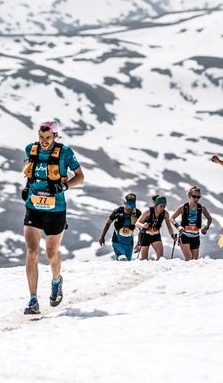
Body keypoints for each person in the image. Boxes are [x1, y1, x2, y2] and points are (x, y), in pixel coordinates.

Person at [21, 117, 84, 315]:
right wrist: (26, 188)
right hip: (34, 207)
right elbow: (31, 173)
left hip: (56, 210)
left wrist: (64, 185)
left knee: (51, 254)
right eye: (41, 137)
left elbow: (80, 177)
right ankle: (32, 300)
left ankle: (56, 280)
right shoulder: (30, 149)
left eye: (48, 137)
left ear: (55, 135)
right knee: (32, 252)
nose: (44, 141)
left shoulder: (65, 152)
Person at [170, 185, 213, 260]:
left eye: (198, 197)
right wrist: (178, 226)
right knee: (189, 259)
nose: (196, 199)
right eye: (194, 196)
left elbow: (209, 219)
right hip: (184, 236)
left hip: (195, 236)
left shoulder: (201, 208)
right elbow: (172, 218)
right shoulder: (183, 207)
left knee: (194, 261)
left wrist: (206, 228)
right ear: (189, 196)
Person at [99, 192, 141, 261]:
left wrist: (139, 243)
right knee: (123, 260)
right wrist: (102, 236)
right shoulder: (117, 212)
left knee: (127, 264)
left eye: (132, 206)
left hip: (129, 244)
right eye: (128, 206)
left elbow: (141, 229)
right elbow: (108, 223)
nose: (130, 209)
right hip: (117, 242)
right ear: (125, 203)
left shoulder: (137, 213)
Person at [135, 195, 176, 260]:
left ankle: (159, 269)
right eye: (161, 206)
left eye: (164, 206)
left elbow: (169, 227)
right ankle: (139, 244)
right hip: (145, 235)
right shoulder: (148, 212)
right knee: (144, 260)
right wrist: (143, 225)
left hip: (155, 235)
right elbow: (137, 223)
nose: (162, 208)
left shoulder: (165, 214)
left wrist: (172, 235)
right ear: (156, 205)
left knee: (161, 257)